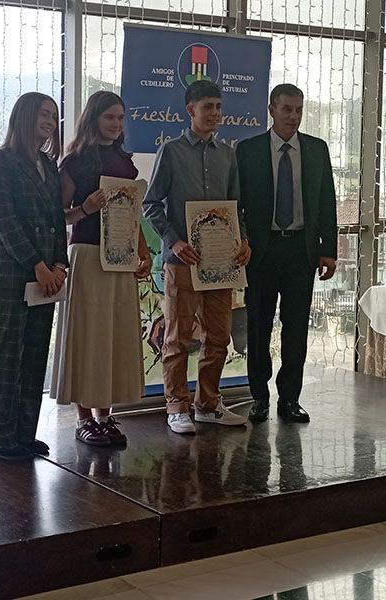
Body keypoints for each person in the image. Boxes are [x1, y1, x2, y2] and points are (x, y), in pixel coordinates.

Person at [143, 80, 251, 435]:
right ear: (191, 110)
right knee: (177, 337)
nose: (215, 114)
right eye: (208, 107)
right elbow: (151, 205)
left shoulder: (228, 155)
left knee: (218, 336)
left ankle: (208, 404)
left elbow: (236, 208)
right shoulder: (171, 151)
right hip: (182, 262)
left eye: (219, 107)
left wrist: (244, 241)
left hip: (220, 264)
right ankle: (177, 406)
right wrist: (174, 242)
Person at [51, 91, 151, 446]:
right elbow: (58, 216)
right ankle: (83, 419)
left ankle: (104, 417)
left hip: (120, 257)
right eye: (109, 117)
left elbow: (133, 215)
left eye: (121, 118)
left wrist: (143, 253)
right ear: (93, 118)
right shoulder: (75, 161)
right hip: (88, 254)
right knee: (88, 335)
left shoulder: (126, 163)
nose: (116, 124)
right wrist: (85, 209)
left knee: (112, 335)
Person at [236, 83, 337, 423]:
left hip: (301, 251)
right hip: (261, 252)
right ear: (272, 110)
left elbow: (327, 202)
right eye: (287, 109)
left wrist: (329, 250)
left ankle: (290, 398)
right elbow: (238, 204)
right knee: (258, 326)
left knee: (296, 328)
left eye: (299, 110)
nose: (294, 116)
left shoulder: (316, 150)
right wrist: (242, 242)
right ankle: (259, 397)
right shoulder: (248, 151)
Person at [0, 92, 68, 461]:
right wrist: (37, 264)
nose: (49, 122)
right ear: (25, 116)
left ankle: (23, 434)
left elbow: (57, 217)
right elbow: (6, 221)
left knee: (34, 355)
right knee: (7, 355)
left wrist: (60, 265)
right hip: (12, 274)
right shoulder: (0, 161)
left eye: (53, 116)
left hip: (47, 276)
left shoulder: (48, 164)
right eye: (43, 114)